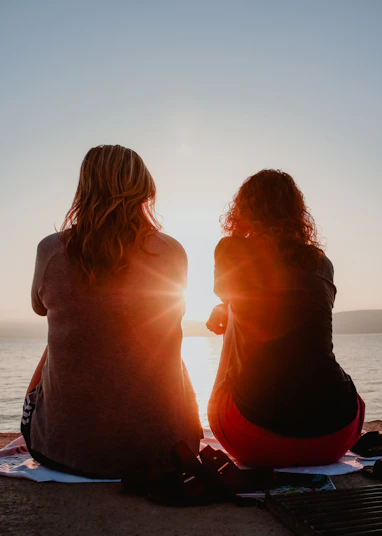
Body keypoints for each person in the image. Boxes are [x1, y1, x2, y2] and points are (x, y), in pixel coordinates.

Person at [22, 145, 201, 478]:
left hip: (65, 453)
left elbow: (39, 306)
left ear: (84, 189)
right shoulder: (172, 251)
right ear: (146, 188)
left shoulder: (51, 249)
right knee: (160, 339)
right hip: (166, 451)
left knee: (64, 338)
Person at [206, 169, 364, 467]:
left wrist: (225, 307)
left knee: (233, 314)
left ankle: (237, 403)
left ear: (243, 210)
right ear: (296, 213)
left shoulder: (232, 249)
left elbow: (228, 293)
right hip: (338, 436)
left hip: (255, 439)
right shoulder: (321, 262)